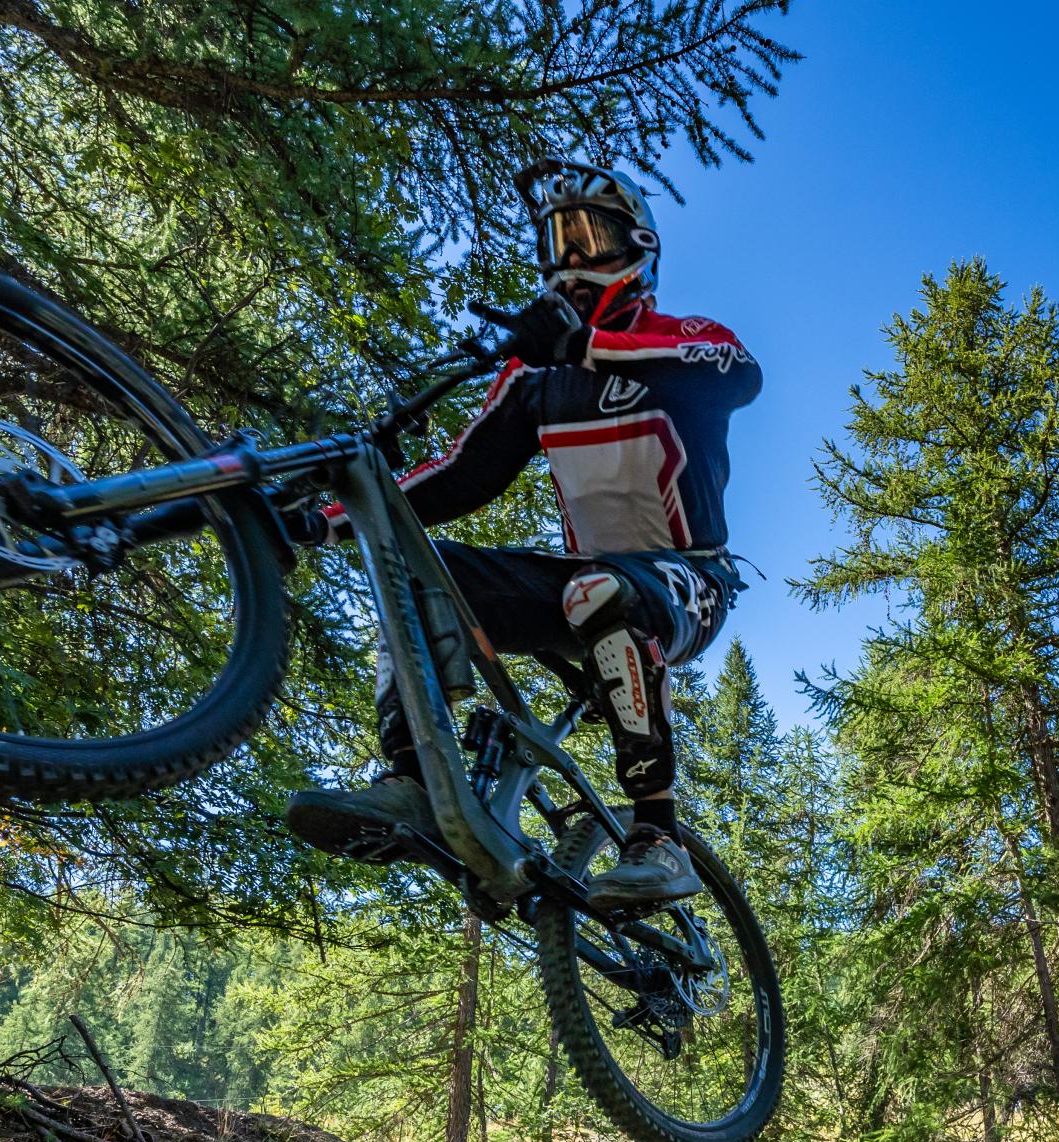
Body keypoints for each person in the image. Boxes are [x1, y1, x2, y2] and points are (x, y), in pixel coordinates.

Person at [285, 159, 760, 910]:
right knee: (414, 571)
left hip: (692, 581)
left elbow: (736, 371)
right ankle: (412, 782)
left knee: (598, 589)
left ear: (639, 250)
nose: (572, 262)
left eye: (592, 238)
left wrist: (584, 347)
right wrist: (328, 521)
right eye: (556, 242)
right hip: (580, 582)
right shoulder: (532, 374)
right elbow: (458, 477)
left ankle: (658, 836)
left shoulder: (677, 339)